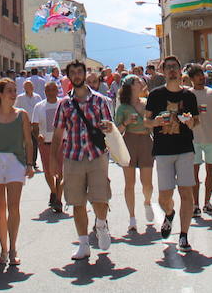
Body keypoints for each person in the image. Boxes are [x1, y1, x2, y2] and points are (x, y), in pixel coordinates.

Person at [51, 60, 114, 261]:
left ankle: (101, 224)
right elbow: (58, 132)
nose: (77, 75)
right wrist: (54, 160)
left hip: (96, 155)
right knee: (77, 202)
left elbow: (110, 127)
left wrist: (108, 128)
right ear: (69, 77)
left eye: (80, 71)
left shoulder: (100, 100)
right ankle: (84, 243)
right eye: (73, 73)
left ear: (85, 74)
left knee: (100, 198)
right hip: (73, 156)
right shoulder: (64, 104)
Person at [0, 78, 36, 267]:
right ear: (0, 94)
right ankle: (3, 249)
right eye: (9, 90)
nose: (13, 94)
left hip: (15, 162)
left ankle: (13, 249)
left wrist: (29, 164)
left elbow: (28, 141)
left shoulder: (22, 115)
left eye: (14, 90)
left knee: (14, 207)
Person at [146, 55, 200, 252]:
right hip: (163, 150)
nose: (171, 70)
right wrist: (156, 123)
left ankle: (184, 235)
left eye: (174, 67)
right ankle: (169, 213)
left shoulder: (189, 96)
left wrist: (189, 121)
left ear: (180, 71)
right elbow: (147, 121)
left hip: (185, 149)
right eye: (167, 67)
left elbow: (195, 122)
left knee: (186, 193)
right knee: (164, 196)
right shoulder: (155, 95)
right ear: (162, 71)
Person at [113, 74, 156, 232]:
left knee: (147, 183)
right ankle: (132, 217)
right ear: (131, 86)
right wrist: (126, 122)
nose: (141, 83)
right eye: (138, 81)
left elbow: (153, 124)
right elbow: (116, 131)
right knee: (129, 183)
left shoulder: (146, 103)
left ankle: (147, 201)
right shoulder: (123, 108)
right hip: (129, 142)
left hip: (145, 141)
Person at [185, 64, 212, 215]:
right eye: (197, 76)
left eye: (202, 75)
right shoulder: (187, 94)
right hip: (193, 138)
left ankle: (207, 202)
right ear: (191, 79)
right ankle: (195, 204)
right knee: (194, 172)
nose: (201, 77)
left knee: (210, 171)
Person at [31, 81, 63, 213]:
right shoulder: (39, 106)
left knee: (61, 171)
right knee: (49, 171)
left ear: (57, 91)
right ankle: (54, 192)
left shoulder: (63, 104)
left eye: (53, 90)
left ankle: (59, 200)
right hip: (46, 144)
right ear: (44, 92)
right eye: (48, 90)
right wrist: (38, 135)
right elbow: (34, 125)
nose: (50, 92)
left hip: (62, 143)